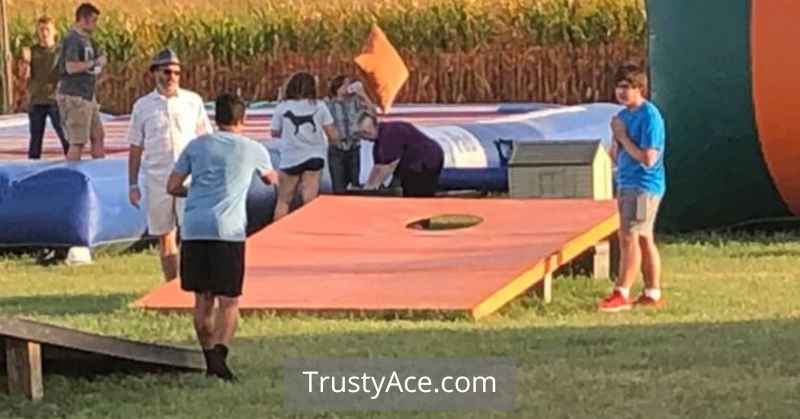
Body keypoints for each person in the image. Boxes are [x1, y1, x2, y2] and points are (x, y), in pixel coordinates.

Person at [167, 94, 278, 381]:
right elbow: (270, 179)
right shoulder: (253, 148)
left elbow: (172, 185)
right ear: (243, 120)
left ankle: (208, 357)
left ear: (216, 118)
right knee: (229, 299)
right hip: (228, 230)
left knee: (202, 299)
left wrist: (197, 192)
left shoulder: (196, 146)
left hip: (194, 228)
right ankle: (220, 357)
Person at [127, 48, 213, 281]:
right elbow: (136, 146)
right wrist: (132, 184)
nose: (172, 77)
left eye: (176, 72)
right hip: (158, 178)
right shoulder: (143, 106)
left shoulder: (192, 101)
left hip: (189, 178)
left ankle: (188, 281)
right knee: (165, 235)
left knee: (191, 232)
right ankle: (170, 286)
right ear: (155, 73)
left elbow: (206, 139)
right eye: (167, 72)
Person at [598, 64, 667, 312]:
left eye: (627, 87)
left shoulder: (650, 116)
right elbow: (618, 156)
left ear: (640, 88)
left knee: (630, 237)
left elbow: (648, 158)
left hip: (643, 185)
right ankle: (652, 292)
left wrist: (624, 137)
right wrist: (615, 140)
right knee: (644, 238)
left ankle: (621, 292)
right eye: (619, 87)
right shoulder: (623, 117)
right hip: (625, 182)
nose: (621, 92)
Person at [271, 72, 339, 221]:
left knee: (283, 201)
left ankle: (277, 234)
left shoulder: (283, 107)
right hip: (314, 156)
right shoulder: (319, 106)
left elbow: (274, 132)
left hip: (291, 157)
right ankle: (308, 230)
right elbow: (332, 134)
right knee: (310, 200)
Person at [56, 2, 106, 161]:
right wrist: (94, 63)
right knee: (77, 141)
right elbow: (70, 67)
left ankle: (100, 171)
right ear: (83, 19)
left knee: (98, 135)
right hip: (75, 95)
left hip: (87, 95)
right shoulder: (73, 39)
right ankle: (70, 179)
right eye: (93, 20)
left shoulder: (87, 40)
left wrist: (98, 65)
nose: (95, 25)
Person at [356, 113, 444, 197]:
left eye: (362, 135)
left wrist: (371, 188)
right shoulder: (378, 143)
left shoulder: (389, 134)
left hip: (426, 159)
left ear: (367, 132)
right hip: (418, 161)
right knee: (409, 187)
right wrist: (368, 186)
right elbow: (377, 168)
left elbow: (388, 166)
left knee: (417, 192)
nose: (363, 139)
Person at [21, 16, 68, 159]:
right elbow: (24, 76)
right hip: (37, 100)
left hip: (55, 100)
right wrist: (25, 62)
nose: (44, 33)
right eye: (41, 29)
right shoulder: (32, 51)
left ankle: (74, 165)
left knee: (65, 136)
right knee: (35, 139)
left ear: (54, 31)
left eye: (47, 29)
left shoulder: (61, 51)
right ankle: (31, 170)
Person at [324, 75, 377, 193]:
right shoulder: (328, 103)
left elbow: (373, 113)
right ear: (338, 88)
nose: (349, 87)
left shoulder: (356, 101)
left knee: (354, 187)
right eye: (346, 84)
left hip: (354, 147)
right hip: (336, 149)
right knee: (338, 187)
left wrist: (362, 93)